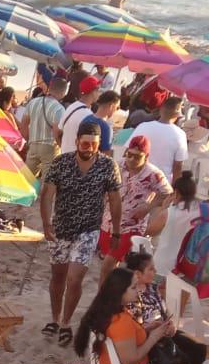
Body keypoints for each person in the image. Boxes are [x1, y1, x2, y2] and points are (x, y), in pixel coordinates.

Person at [41, 119, 123, 345]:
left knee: (75, 278)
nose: (89, 148)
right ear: (76, 141)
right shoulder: (61, 163)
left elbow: (115, 200)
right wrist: (46, 224)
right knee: (58, 276)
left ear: (99, 145)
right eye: (85, 143)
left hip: (88, 230)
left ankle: (66, 323)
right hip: (60, 228)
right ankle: (55, 319)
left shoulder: (108, 166)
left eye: (93, 144)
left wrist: (116, 231)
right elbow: (47, 195)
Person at [75, 268, 202, 364]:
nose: (139, 290)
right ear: (120, 291)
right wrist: (154, 337)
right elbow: (130, 359)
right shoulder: (120, 321)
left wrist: (147, 329)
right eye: (134, 287)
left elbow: (125, 339)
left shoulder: (110, 309)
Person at [99, 134, 172, 278]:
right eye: (129, 155)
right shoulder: (116, 165)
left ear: (146, 156)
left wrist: (149, 206)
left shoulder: (153, 174)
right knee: (112, 266)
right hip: (108, 222)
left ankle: (102, 298)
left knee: (107, 265)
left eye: (137, 157)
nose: (131, 159)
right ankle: (115, 297)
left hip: (132, 226)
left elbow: (168, 193)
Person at [132, 96, 189, 185]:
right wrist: (174, 190)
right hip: (161, 184)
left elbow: (127, 153)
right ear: (177, 115)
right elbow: (177, 167)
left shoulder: (143, 126)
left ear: (161, 110)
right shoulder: (180, 135)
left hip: (136, 180)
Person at [19, 78, 68, 178]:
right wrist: (64, 149)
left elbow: (23, 125)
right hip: (50, 148)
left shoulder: (33, 102)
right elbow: (57, 133)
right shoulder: (59, 108)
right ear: (64, 92)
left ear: (50, 88)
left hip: (33, 145)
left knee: (27, 178)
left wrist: (28, 140)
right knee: (48, 182)